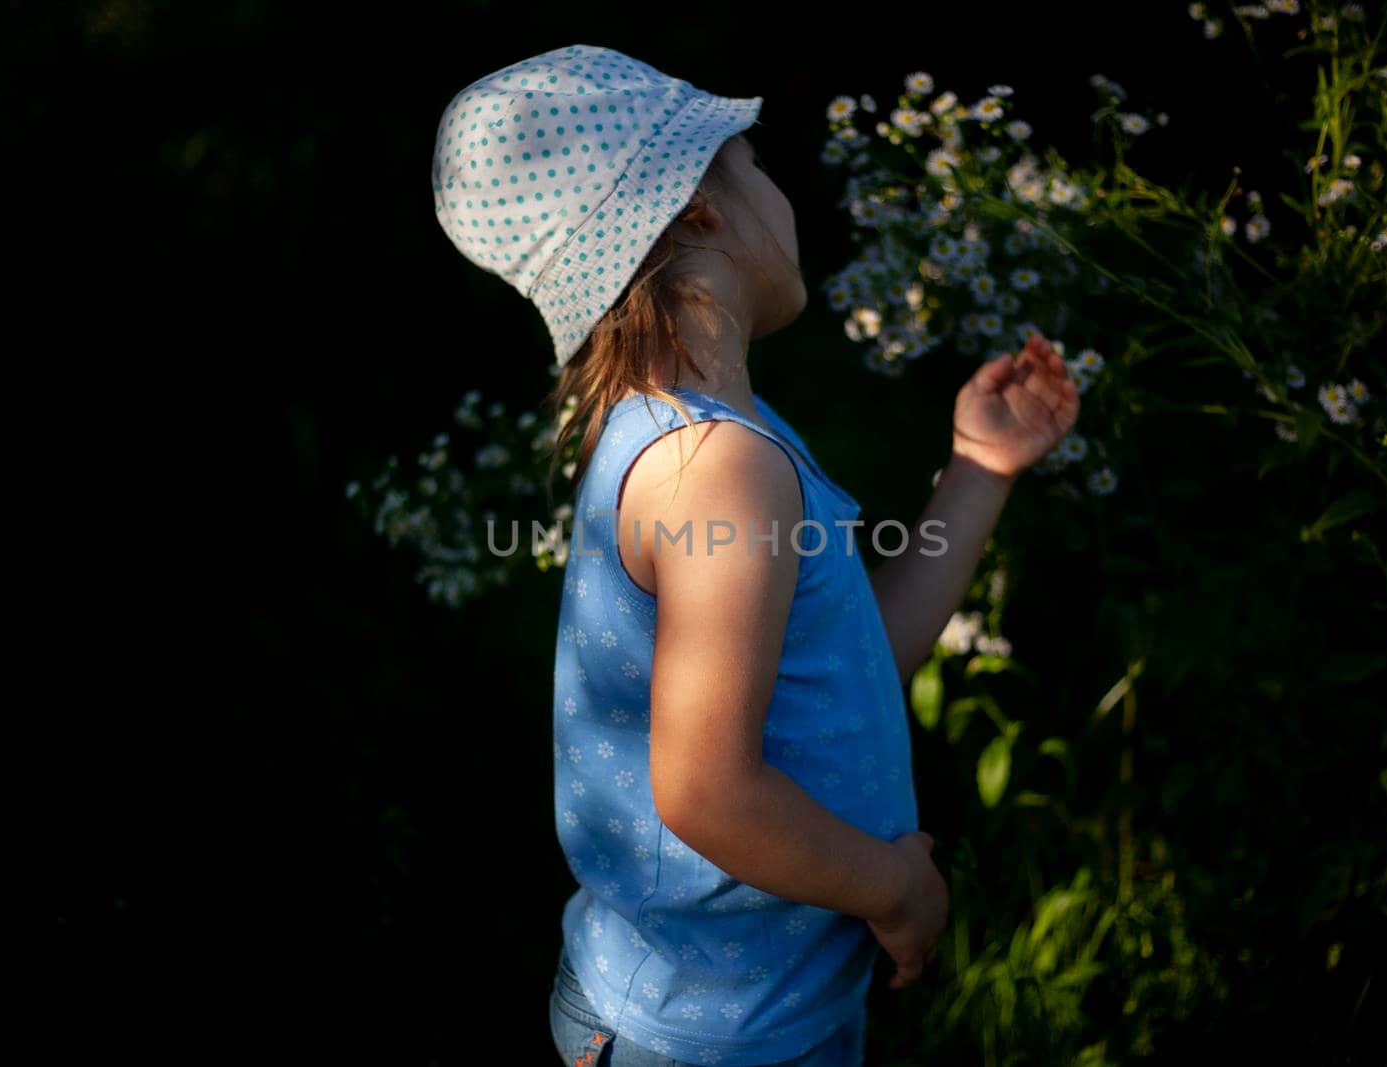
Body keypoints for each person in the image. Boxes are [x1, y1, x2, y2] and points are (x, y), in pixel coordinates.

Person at [432, 44, 1080, 1067]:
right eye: (755, 162)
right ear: (696, 205)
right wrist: (896, 884)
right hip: (707, 1037)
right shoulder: (715, 467)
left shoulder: (702, 433)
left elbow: (846, 667)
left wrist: (978, 468)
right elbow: (708, 791)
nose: (781, 195)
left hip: (740, 1012)